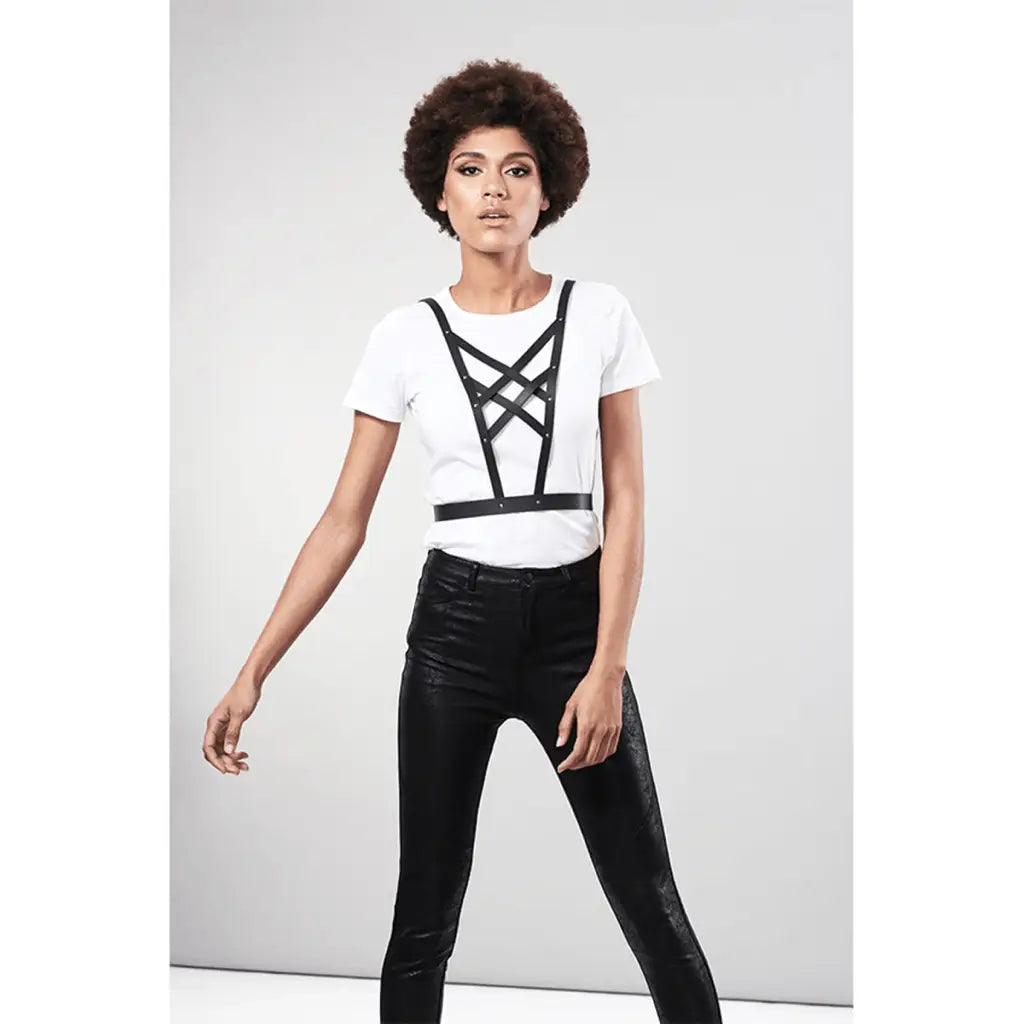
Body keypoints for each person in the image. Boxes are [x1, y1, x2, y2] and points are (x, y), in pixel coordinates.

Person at [203, 58, 722, 1024]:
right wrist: (252, 672)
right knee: (425, 910)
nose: (494, 190)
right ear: (438, 193)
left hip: (575, 628)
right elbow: (343, 519)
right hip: (455, 631)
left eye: (517, 169)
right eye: (471, 169)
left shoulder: (600, 314)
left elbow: (626, 500)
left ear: (548, 190)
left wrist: (607, 666)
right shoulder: (403, 336)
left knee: (648, 898)